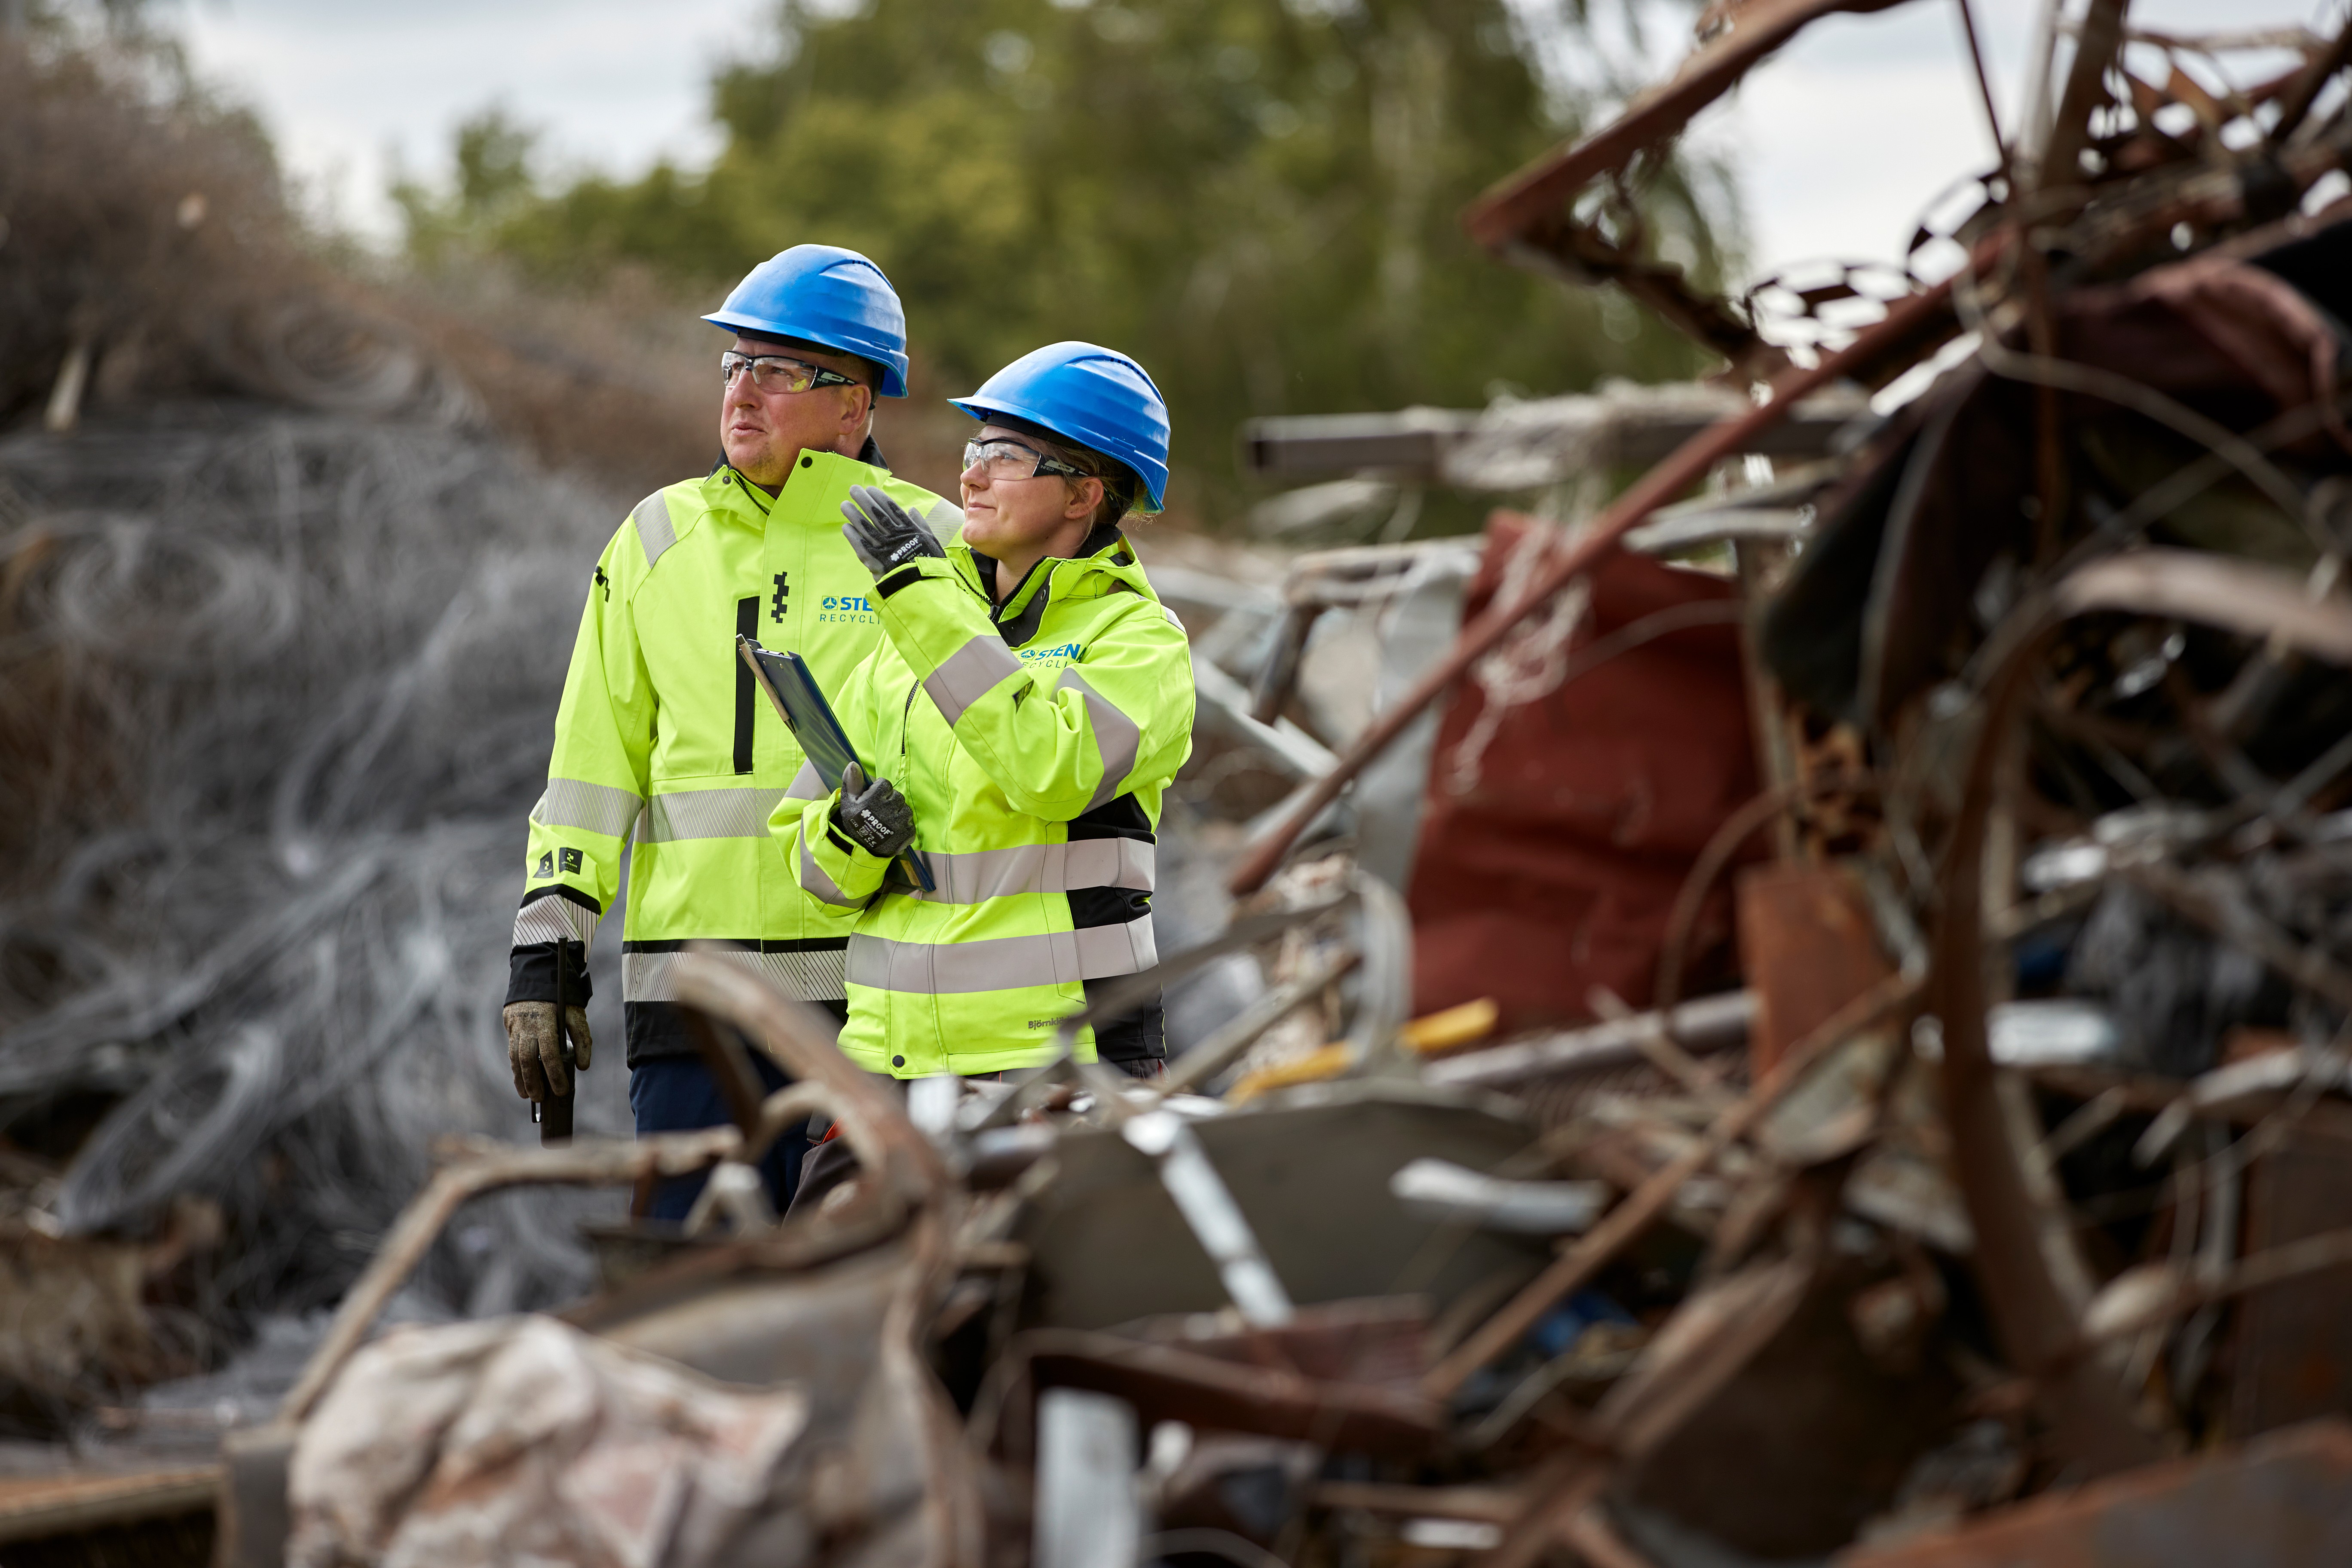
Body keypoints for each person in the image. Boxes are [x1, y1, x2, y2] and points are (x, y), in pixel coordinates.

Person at [502, 244, 956, 1219]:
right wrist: (549, 951)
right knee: (703, 1303)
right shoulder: (654, 540)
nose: (743, 392)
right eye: (735, 366)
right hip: (692, 1011)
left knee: (860, 1297)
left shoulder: (938, 546)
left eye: (779, 372)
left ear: (856, 403)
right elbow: (592, 768)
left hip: (876, 1006)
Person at [769, 341, 1193, 1090]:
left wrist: (924, 599)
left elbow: (1049, 774)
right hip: (883, 1063)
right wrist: (852, 838)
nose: (970, 474)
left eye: (1005, 454)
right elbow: (808, 864)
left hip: (1061, 1071)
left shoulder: (1141, 643)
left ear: (1082, 494)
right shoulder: (911, 639)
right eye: (975, 448)